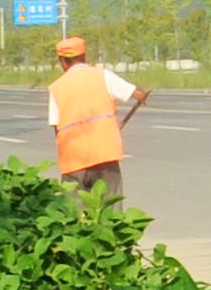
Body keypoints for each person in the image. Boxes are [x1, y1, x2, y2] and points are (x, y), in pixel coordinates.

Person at [44, 32, 145, 200]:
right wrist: (143, 96)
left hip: (73, 160)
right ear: (84, 56)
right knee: (110, 210)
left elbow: (57, 128)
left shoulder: (56, 88)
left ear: (62, 61)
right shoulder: (102, 75)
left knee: (75, 216)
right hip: (104, 154)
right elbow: (138, 94)